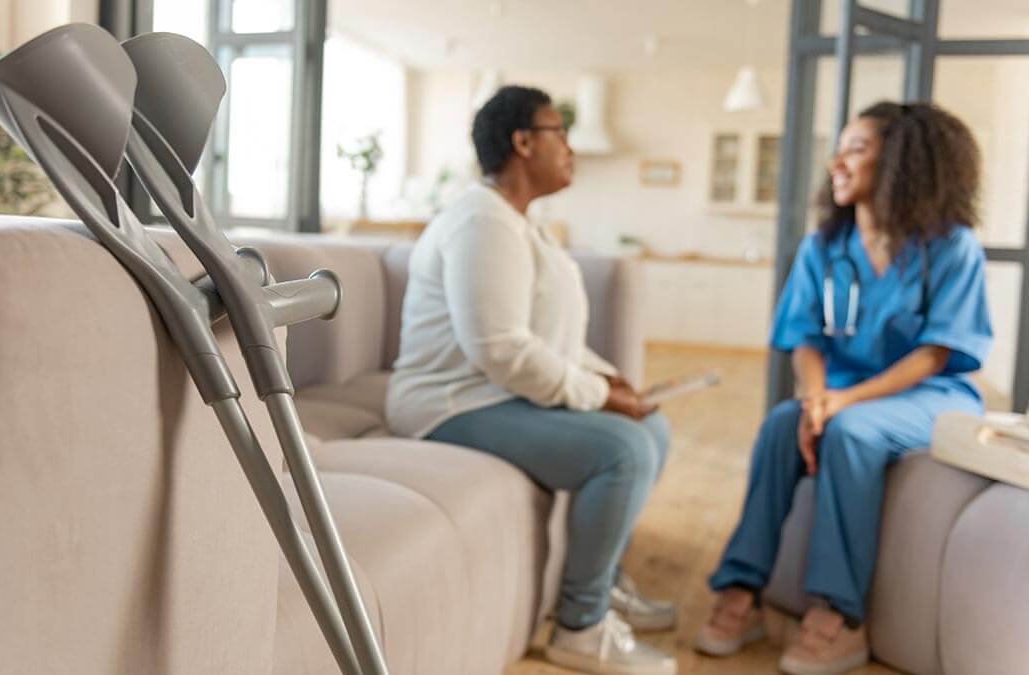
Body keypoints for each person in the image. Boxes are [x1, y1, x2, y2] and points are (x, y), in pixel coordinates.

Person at [386, 85, 677, 675]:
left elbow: (545, 335)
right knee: (621, 451)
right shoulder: (482, 222)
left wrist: (607, 377)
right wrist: (600, 397)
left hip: (493, 394)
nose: (570, 148)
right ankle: (581, 626)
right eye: (559, 133)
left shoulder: (519, 224)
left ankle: (606, 577)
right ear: (523, 143)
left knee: (656, 431)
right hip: (450, 405)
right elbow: (500, 349)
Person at [694, 100, 993, 675]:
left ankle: (838, 613)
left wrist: (842, 403)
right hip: (842, 389)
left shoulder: (951, 247)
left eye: (857, 148)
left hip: (929, 395)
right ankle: (741, 587)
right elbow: (804, 338)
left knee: (851, 432)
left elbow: (935, 353)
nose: (837, 160)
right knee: (783, 422)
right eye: (841, 147)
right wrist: (814, 400)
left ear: (903, 162)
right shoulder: (824, 249)